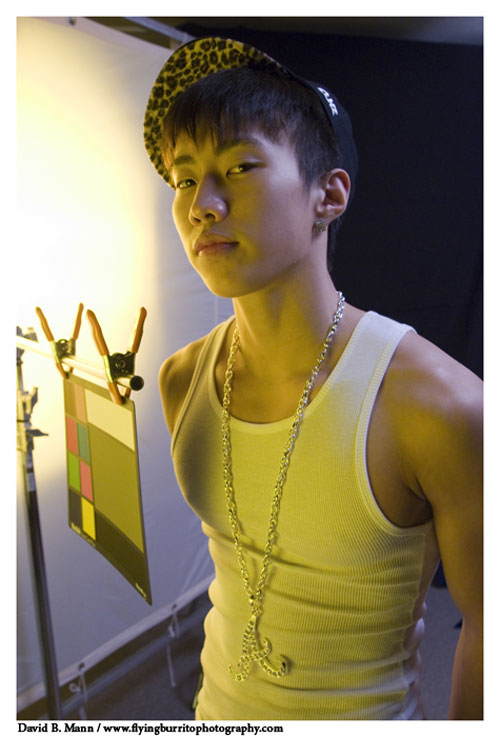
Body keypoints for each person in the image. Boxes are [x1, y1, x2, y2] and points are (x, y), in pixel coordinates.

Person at [143, 37, 483, 720]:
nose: (203, 204)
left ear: (328, 194)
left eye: (239, 167)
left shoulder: (439, 406)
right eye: (184, 179)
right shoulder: (183, 379)